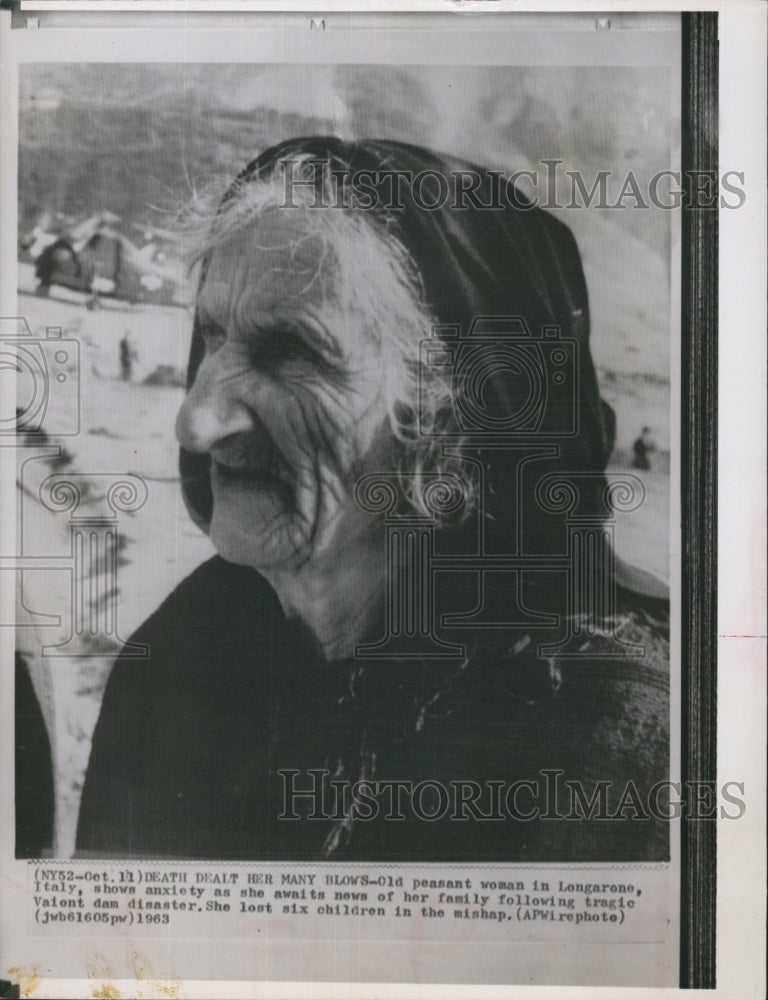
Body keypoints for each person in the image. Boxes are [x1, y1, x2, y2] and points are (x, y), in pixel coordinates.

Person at [76, 138, 669, 862]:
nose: (196, 421)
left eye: (290, 353)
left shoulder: (599, 729)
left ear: (451, 423)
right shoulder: (183, 653)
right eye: (212, 335)